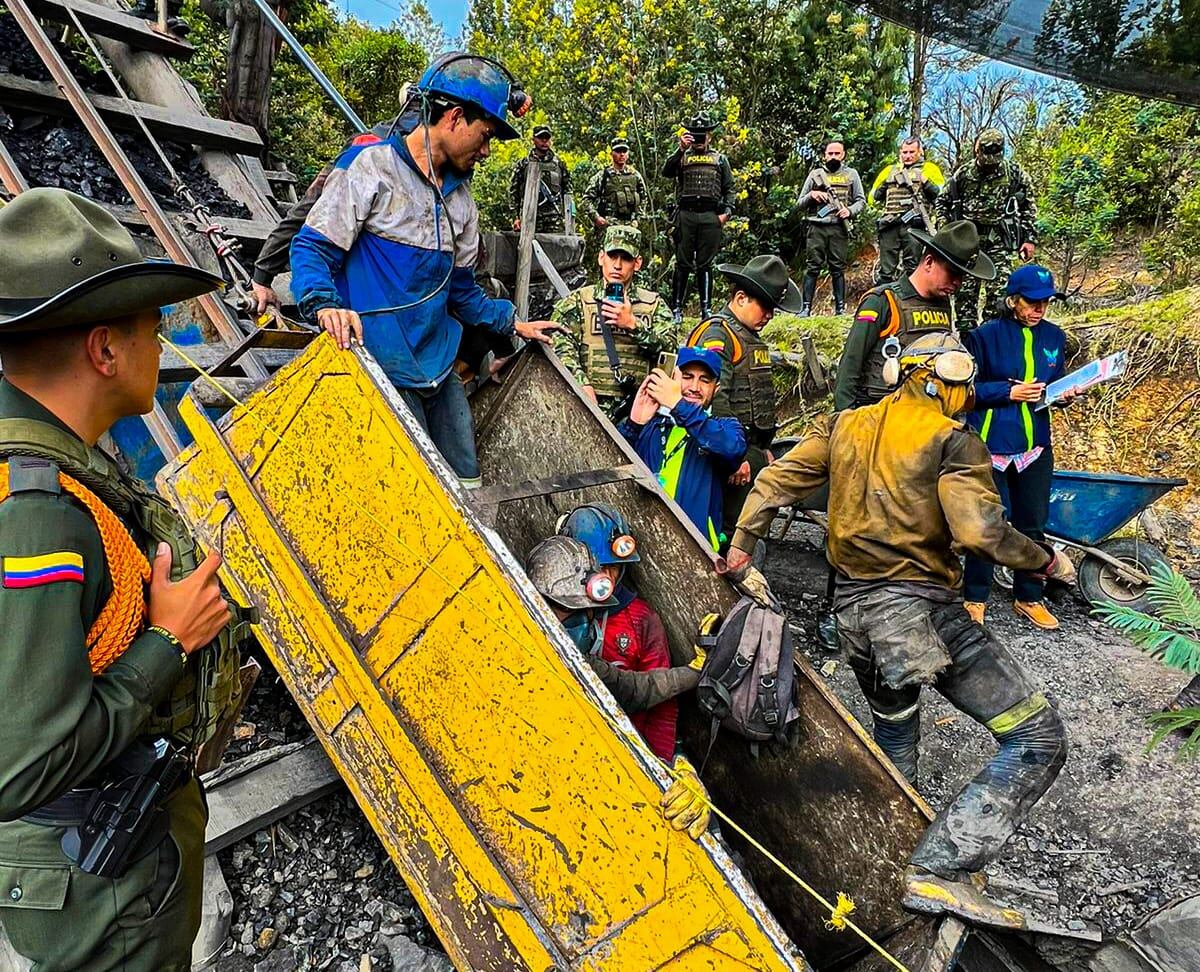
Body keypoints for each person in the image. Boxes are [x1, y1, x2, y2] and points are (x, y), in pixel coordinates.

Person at [724, 332, 1077, 930]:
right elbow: (980, 536)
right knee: (1038, 738)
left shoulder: (845, 425)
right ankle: (938, 868)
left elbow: (773, 481)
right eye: (965, 381)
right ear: (941, 378)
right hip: (919, 616)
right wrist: (1045, 561)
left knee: (895, 735)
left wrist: (740, 548)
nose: (969, 392)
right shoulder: (952, 441)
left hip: (853, 620)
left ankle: (894, 863)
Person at [0, 188, 244, 969]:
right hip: (95, 882)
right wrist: (171, 639)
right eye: (154, 330)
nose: (164, 346)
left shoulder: (51, 458)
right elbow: (23, 765)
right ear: (105, 351)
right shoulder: (35, 511)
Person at [290, 54, 561, 489]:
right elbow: (311, 249)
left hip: (436, 367)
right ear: (455, 118)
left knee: (465, 485)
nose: (487, 150)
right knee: (414, 490)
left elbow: (461, 293)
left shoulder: (461, 203)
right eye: (485, 135)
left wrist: (512, 322)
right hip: (377, 366)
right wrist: (325, 305)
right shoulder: (371, 168)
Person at [525, 535, 710, 838]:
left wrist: (672, 767)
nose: (585, 623)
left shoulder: (587, 664)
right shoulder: (512, 657)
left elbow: (637, 689)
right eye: (572, 611)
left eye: (590, 612)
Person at [962, 265, 1081, 630]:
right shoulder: (983, 337)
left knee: (1033, 524)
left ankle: (1029, 596)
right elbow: (965, 393)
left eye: (1046, 302)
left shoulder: (1054, 338)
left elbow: (1053, 384)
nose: (1039, 309)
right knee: (987, 526)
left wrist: (1063, 395)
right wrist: (1007, 392)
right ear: (1013, 300)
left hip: (1034, 448)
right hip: (991, 447)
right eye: (1032, 302)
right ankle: (974, 597)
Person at [557, 505, 693, 760]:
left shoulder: (642, 619)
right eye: (598, 566)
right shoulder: (557, 606)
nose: (607, 577)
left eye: (615, 567)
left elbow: (660, 704)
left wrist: (659, 761)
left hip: (625, 749)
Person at [687, 255, 803, 547]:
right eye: (764, 306)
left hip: (749, 451)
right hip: (726, 453)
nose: (769, 316)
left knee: (745, 529)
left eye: (773, 309)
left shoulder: (747, 337)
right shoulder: (718, 334)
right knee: (726, 533)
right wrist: (734, 457)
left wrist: (761, 450)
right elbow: (715, 398)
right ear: (740, 298)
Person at [835, 220, 995, 411]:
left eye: (962, 276)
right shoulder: (883, 301)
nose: (957, 283)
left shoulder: (943, 303)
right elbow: (850, 365)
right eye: (952, 273)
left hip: (926, 414)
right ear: (928, 262)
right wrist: (846, 421)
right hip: (878, 414)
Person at [618, 347, 746, 550]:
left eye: (705, 380)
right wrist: (634, 425)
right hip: (639, 542)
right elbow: (613, 465)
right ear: (674, 379)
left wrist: (678, 405)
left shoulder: (726, 427)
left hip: (695, 548)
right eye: (687, 377)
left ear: (716, 388)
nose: (695, 387)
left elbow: (732, 449)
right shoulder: (651, 422)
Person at [549, 224, 675, 418]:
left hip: (638, 412)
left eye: (626, 258)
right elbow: (558, 347)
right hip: (587, 408)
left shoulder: (653, 305)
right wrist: (581, 383)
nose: (617, 265)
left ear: (638, 263)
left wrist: (634, 326)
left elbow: (670, 354)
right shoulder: (577, 302)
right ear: (601, 257)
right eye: (612, 256)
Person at [936, 129, 1037, 329]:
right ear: (977, 150)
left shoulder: (1013, 173)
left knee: (1000, 294)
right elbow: (942, 202)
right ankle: (967, 341)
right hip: (967, 241)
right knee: (965, 295)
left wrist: (1029, 238)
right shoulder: (963, 174)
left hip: (999, 238)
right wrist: (945, 231)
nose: (989, 164)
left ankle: (992, 338)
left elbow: (1028, 205)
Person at [662, 113, 735, 325]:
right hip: (686, 215)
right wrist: (680, 148)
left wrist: (726, 214)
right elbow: (666, 172)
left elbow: (729, 189)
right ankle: (677, 308)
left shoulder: (720, 159)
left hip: (710, 215)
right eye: (695, 134)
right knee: (682, 263)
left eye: (702, 135)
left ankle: (706, 309)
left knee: (705, 264)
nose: (699, 139)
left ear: (709, 136)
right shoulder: (682, 156)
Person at [798, 138, 866, 316]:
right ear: (824, 155)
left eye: (837, 153)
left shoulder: (851, 174)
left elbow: (861, 201)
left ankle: (840, 309)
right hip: (817, 227)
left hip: (838, 228)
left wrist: (849, 211)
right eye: (830, 153)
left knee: (837, 269)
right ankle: (805, 308)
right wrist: (812, 195)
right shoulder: (815, 174)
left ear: (843, 155)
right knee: (812, 267)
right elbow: (799, 203)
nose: (833, 156)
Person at [870, 136, 945, 282]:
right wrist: (886, 183)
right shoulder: (889, 171)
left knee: (913, 268)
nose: (908, 156)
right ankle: (884, 301)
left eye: (912, 152)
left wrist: (925, 181)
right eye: (905, 152)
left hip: (914, 226)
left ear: (920, 152)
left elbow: (941, 195)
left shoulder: (930, 169)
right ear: (900, 153)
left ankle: (910, 302)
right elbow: (873, 198)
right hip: (890, 225)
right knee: (886, 271)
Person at [510, 124, 572, 233]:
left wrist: (569, 218)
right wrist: (515, 218)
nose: (544, 141)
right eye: (540, 138)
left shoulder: (559, 164)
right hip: (530, 217)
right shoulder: (523, 164)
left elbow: (568, 192)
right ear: (533, 139)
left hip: (554, 220)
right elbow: (514, 194)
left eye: (547, 138)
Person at [583, 136, 649, 228]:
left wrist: (638, 218)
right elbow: (587, 199)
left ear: (628, 154)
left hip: (630, 226)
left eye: (624, 151)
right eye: (618, 151)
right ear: (612, 153)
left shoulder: (635, 175)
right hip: (609, 226)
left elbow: (644, 198)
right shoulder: (603, 176)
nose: (621, 154)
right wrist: (596, 218)